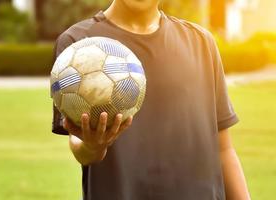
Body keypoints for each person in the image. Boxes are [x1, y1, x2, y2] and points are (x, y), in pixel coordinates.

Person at [51, 0, 251, 199]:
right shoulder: (78, 44)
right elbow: (79, 145)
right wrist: (93, 146)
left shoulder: (201, 42)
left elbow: (223, 149)